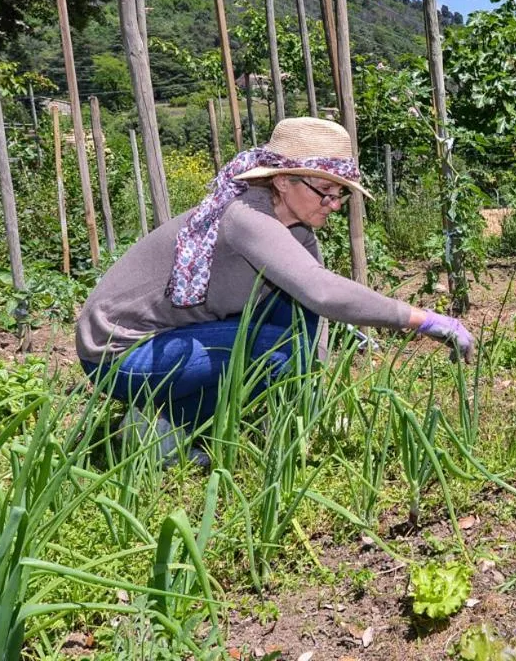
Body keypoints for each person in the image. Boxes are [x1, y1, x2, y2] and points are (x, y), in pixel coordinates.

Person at [75, 117, 473, 466]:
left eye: (341, 194)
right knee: (277, 350)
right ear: (283, 180)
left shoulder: (296, 233)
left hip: (171, 344)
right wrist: (424, 320)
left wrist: (309, 403)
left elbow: (310, 312)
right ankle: (160, 431)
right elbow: (324, 293)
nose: (335, 205)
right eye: (326, 192)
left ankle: (169, 421)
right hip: (119, 354)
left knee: (289, 335)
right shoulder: (247, 217)